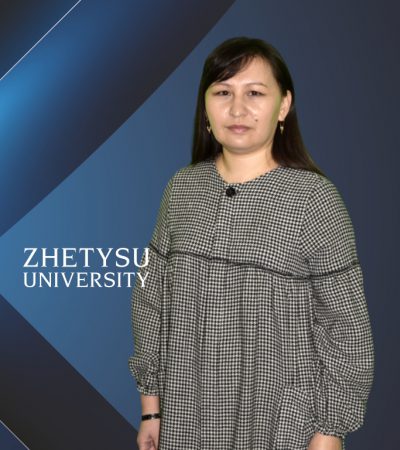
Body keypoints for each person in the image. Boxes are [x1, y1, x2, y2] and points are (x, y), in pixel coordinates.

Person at [128, 36, 375, 450]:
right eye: (223, 92)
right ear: (205, 106)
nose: (237, 109)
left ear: (283, 105)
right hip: (185, 418)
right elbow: (150, 300)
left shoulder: (315, 200)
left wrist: (331, 431)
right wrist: (151, 408)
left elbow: (347, 329)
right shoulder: (181, 189)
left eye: (255, 93)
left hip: (280, 423)